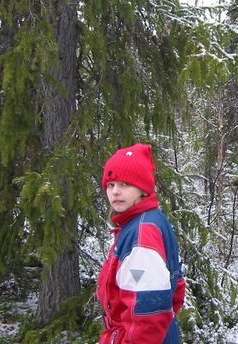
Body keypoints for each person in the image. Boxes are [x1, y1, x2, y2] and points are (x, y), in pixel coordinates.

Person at [96, 143, 186, 344]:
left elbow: (149, 317)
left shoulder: (142, 234)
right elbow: (176, 288)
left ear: (142, 188)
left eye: (124, 184)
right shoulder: (149, 219)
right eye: (111, 185)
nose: (115, 192)